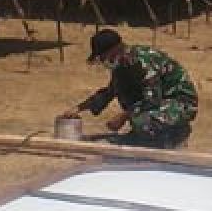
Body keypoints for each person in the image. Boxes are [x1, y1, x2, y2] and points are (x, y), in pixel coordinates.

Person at [60, 28, 197, 148]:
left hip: (180, 103)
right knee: (126, 96)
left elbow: (152, 99)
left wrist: (123, 116)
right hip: (160, 103)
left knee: (142, 122)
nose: (102, 61)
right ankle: (146, 137)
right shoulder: (120, 66)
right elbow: (110, 92)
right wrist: (79, 108)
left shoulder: (143, 62)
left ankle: (173, 138)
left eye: (103, 57)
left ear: (115, 50)